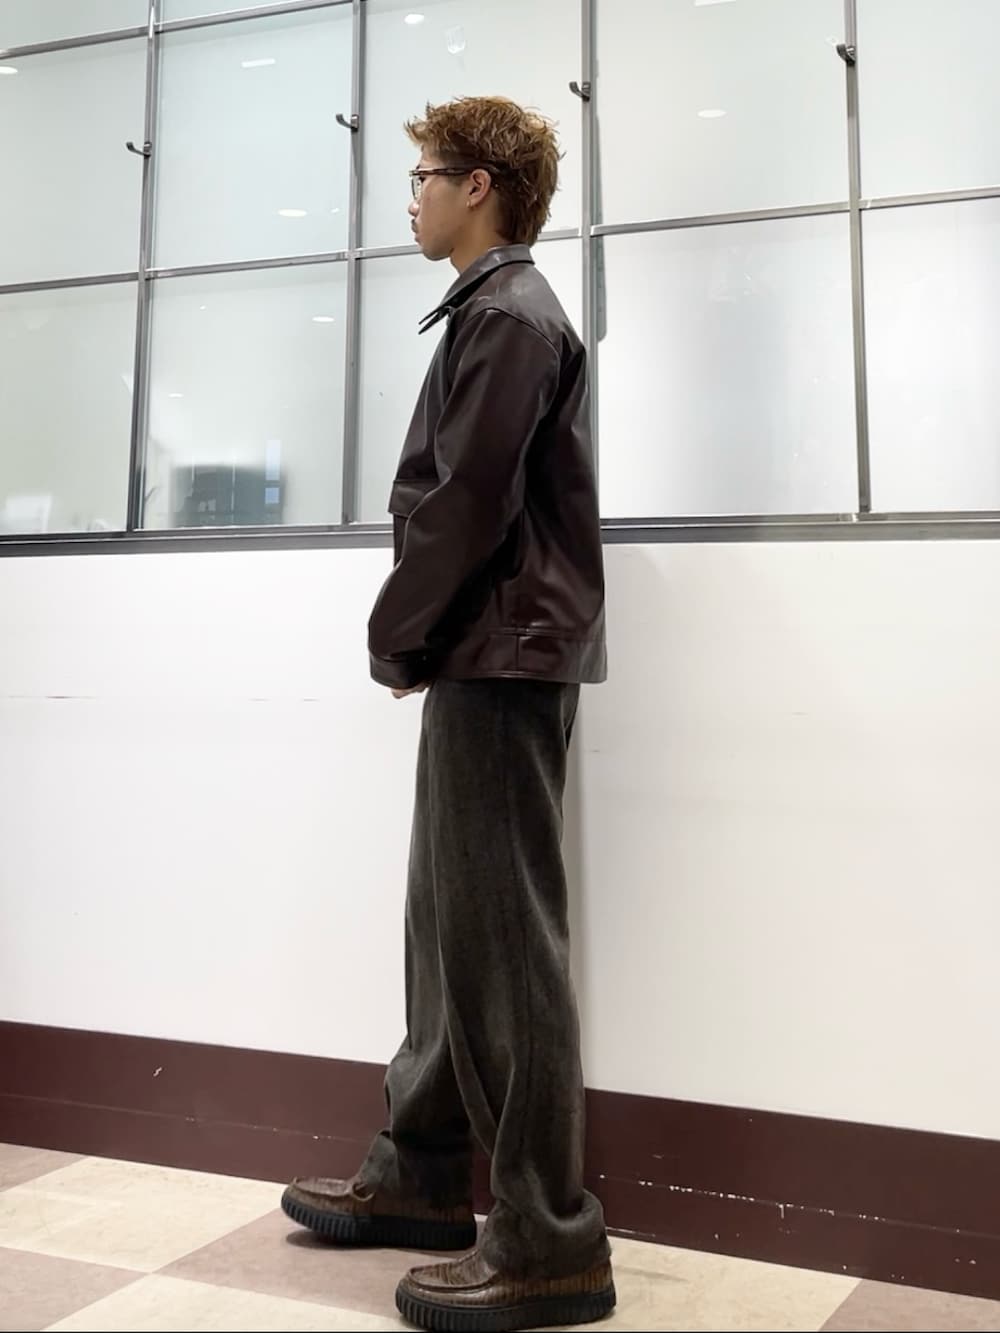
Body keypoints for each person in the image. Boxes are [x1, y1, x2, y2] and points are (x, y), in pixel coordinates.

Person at [282, 95, 613, 1333]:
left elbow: (466, 503)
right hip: (488, 647)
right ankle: (422, 1174)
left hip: (499, 653)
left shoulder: (512, 317)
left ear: (478, 186)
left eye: (423, 175)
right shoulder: (492, 310)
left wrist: (395, 633)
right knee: (447, 927)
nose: (410, 196)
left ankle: (548, 1244)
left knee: (502, 947)